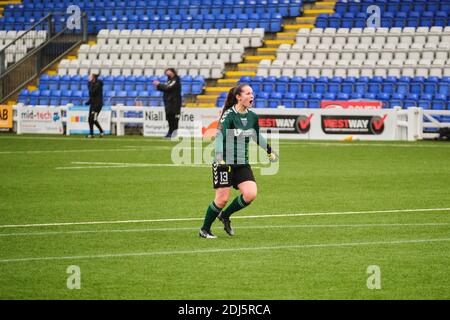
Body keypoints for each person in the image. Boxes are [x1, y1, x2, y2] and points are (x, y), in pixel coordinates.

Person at [199, 84, 278, 239]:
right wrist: (219, 157)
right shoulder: (228, 115)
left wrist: (269, 150)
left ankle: (225, 216)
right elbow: (220, 136)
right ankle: (204, 229)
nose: (252, 96)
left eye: (252, 93)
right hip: (224, 163)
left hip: (242, 162)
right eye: (248, 93)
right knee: (222, 199)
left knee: (250, 194)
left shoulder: (252, 116)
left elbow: (256, 135)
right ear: (238, 97)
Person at [152, 68, 182, 138]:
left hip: (175, 103)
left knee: (174, 119)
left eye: (168, 71)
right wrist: (158, 86)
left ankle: (174, 133)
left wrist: (159, 84)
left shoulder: (176, 80)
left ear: (173, 72)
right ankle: (170, 132)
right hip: (168, 102)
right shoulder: (169, 80)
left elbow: (168, 88)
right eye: (166, 71)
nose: (167, 72)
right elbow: (164, 88)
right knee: (169, 118)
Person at [85, 73, 104, 138]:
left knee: (93, 118)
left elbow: (93, 91)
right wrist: (89, 102)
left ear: (93, 78)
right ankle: (94, 133)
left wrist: (89, 84)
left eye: (90, 77)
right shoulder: (90, 84)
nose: (88, 78)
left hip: (98, 104)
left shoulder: (98, 84)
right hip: (92, 104)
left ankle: (95, 133)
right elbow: (91, 95)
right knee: (90, 119)